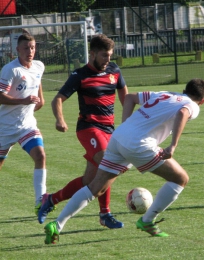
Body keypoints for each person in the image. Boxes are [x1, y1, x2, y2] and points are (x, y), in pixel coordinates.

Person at [43, 78, 204, 244]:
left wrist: (126, 126)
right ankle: (147, 220)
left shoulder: (165, 94)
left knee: (96, 188)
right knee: (180, 179)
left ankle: (57, 225)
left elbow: (129, 98)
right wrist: (172, 146)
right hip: (139, 144)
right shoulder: (192, 105)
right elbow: (182, 113)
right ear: (202, 101)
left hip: (119, 137)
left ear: (184, 89)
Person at [37, 34, 128, 229]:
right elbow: (57, 99)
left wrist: (128, 121)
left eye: (110, 55)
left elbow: (124, 95)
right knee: (108, 163)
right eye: (104, 55)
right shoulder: (80, 75)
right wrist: (59, 119)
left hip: (109, 130)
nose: (108, 60)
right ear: (92, 53)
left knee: (90, 180)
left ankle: (51, 199)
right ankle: (105, 214)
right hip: (88, 128)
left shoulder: (114, 70)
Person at [0, 33, 48, 215]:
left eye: (33, 47)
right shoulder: (10, 70)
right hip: (4, 128)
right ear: (17, 50)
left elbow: (37, 84)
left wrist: (40, 100)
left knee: (40, 156)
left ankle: (40, 201)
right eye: (26, 48)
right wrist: (23, 101)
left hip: (27, 126)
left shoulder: (39, 66)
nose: (30, 51)